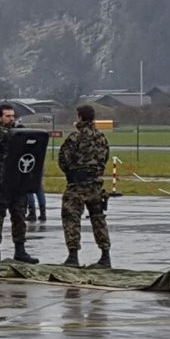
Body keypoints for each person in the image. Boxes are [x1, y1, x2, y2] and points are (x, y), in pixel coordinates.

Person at [59, 105, 111, 268]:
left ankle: (73, 256)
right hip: (95, 184)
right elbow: (105, 157)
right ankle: (105, 255)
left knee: (71, 217)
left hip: (77, 184)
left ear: (80, 117)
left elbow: (63, 159)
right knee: (98, 218)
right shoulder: (101, 137)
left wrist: (73, 171)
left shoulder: (75, 137)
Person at [0, 104, 38, 264]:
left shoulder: (17, 132)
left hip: (17, 180)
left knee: (19, 216)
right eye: (7, 116)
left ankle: (20, 250)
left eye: (13, 116)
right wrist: (20, 132)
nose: (11, 119)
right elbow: (5, 137)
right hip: (0, 180)